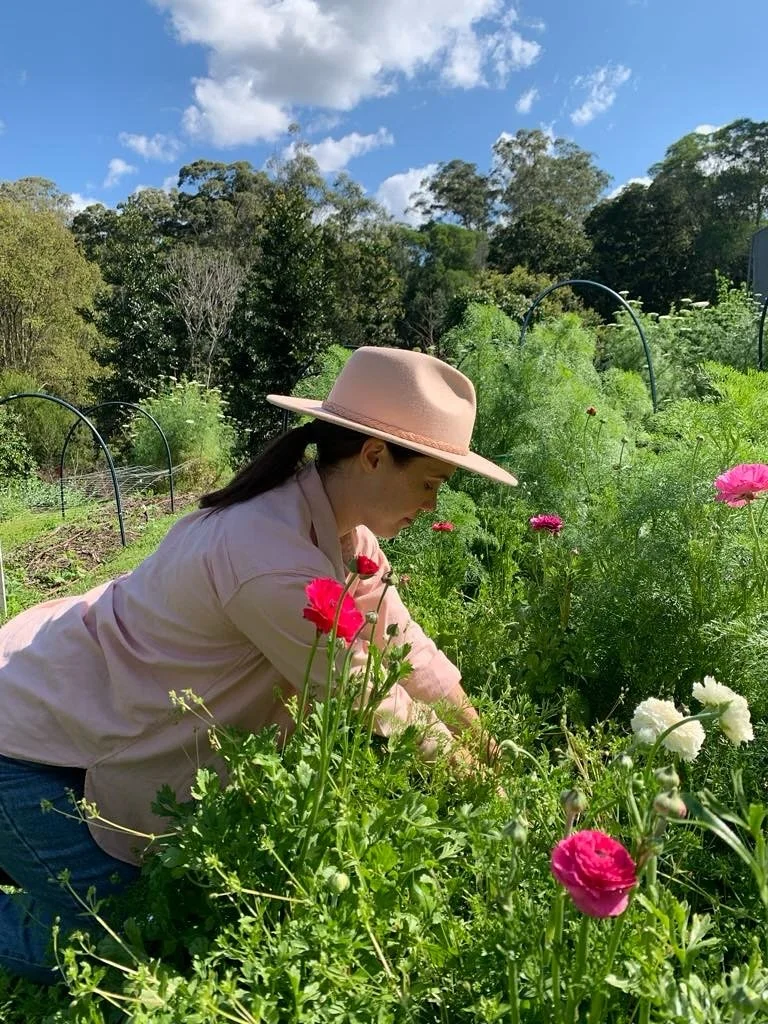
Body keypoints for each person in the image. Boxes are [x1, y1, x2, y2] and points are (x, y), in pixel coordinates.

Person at [0, 346, 517, 983]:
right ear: (375, 456)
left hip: (77, 694)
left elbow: (404, 649)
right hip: (32, 746)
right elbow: (370, 695)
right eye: (430, 484)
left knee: (152, 926)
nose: (433, 505)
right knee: (124, 959)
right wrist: (489, 799)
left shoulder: (339, 529)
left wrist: (485, 747)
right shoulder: (269, 559)